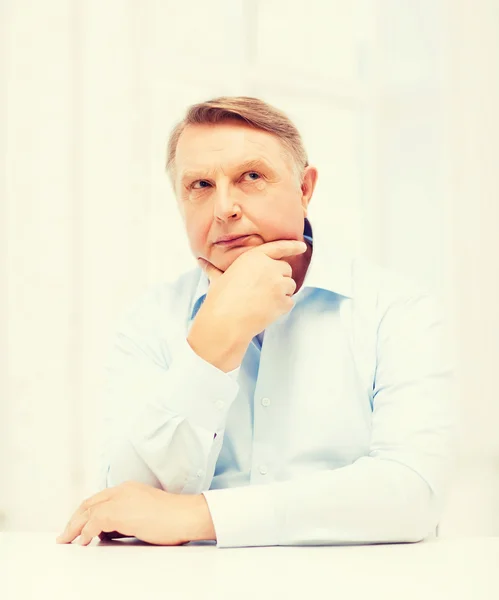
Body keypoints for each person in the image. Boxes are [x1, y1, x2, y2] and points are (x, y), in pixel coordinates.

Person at [56, 96, 456, 548]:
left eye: (251, 177)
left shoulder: (397, 310)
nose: (224, 207)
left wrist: (200, 517)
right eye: (201, 185)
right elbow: (124, 507)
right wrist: (213, 341)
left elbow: (413, 494)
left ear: (305, 189)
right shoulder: (148, 322)